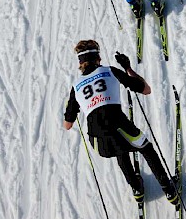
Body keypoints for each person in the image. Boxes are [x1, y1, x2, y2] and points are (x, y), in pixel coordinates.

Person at [63, 40, 177, 204]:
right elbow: (146, 89)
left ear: (81, 63)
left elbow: (67, 125)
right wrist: (128, 68)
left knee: (118, 149)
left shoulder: (76, 86)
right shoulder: (109, 71)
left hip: (97, 142)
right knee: (146, 148)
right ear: (98, 58)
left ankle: (136, 188)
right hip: (119, 127)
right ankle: (169, 191)